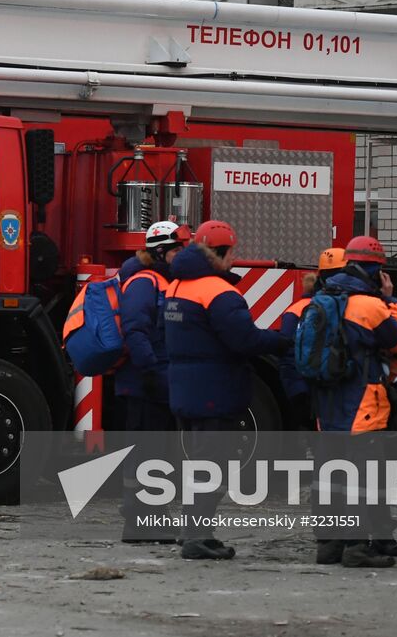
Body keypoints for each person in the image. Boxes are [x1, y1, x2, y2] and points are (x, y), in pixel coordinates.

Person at [164, 220, 290, 561]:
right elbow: (244, 340)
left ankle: (192, 531)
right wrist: (283, 341)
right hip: (215, 392)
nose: (234, 260)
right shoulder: (219, 292)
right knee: (213, 466)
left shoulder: (177, 287)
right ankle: (198, 537)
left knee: (197, 465)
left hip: (186, 390)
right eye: (232, 253)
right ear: (218, 253)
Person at [304, 236, 397, 568]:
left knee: (329, 477)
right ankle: (356, 546)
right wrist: (391, 300)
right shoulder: (370, 306)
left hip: (328, 406)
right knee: (362, 479)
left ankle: (329, 546)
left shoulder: (322, 299)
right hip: (362, 408)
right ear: (377, 271)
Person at [116, 221, 189, 543]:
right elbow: (135, 329)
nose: (181, 255)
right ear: (160, 252)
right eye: (176, 250)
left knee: (156, 454)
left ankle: (151, 518)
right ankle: (141, 522)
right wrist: (152, 372)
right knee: (147, 454)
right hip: (145, 383)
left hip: (155, 380)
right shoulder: (144, 282)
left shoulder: (159, 280)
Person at [276, 247, 348, 425]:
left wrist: (296, 390)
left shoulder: (295, 310)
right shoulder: (346, 306)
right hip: (334, 389)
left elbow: (286, 352)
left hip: (304, 388)